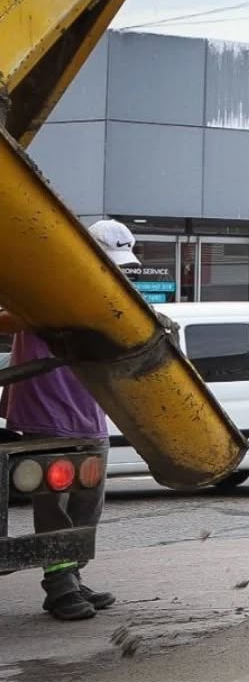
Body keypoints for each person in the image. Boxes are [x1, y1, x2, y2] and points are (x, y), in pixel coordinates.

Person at [0, 220, 140, 620]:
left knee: (88, 502)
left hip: (89, 411)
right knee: (52, 505)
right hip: (45, 409)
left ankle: (71, 574)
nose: (115, 270)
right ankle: (60, 587)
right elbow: (10, 320)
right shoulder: (47, 286)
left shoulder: (113, 293)